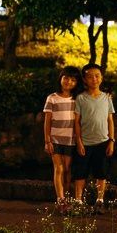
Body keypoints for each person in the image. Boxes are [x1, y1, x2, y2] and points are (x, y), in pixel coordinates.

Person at [73, 63, 115, 214]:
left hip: (103, 142)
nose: (94, 79)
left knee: (101, 173)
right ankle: (78, 201)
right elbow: (76, 122)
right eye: (90, 76)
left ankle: (100, 200)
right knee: (80, 173)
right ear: (84, 79)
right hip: (85, 142)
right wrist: (79, 142)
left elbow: (110, 121)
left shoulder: (106, 98)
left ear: (102, 78)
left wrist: (111, 141)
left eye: (97, 76)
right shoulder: (80, 99)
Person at [43, 66, 82, 212]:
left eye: (73, 80)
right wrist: (47, 141)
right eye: (66, 78)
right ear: (60, 78)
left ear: (77, 83)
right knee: (58, 168)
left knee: (67, 169)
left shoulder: (78, 99)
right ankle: (61, 200)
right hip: (56, 140)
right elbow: (47, 121)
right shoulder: (52, 97)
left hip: (71, 140)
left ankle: (66, 197)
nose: (68, 82)